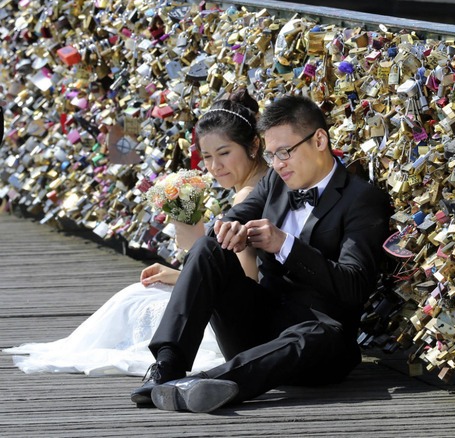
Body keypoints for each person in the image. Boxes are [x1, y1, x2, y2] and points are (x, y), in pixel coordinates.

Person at [132, 95, 393, 414]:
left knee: (319, 333)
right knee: (208, 246)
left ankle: (205, 384)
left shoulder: (362, 199)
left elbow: (355, 287)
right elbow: (239, 212)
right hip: (258, 326)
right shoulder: (275, 180)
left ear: (320, 139)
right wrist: (228, 226)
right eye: (271, 155)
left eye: (285, 152)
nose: (278, 163)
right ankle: (167, 368)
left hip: (318, 342)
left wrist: (285, 244)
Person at [3, 91, 268, 377]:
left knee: (137, 299)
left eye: (224, 153)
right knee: (143, 294)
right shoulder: (260, 182)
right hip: (245, 299)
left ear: (253, 145)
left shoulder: (247, 197)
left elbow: (246, 279)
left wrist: (185, 273)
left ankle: (167, 361)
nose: (215, 167)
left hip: (244, 316)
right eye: (207, 157)